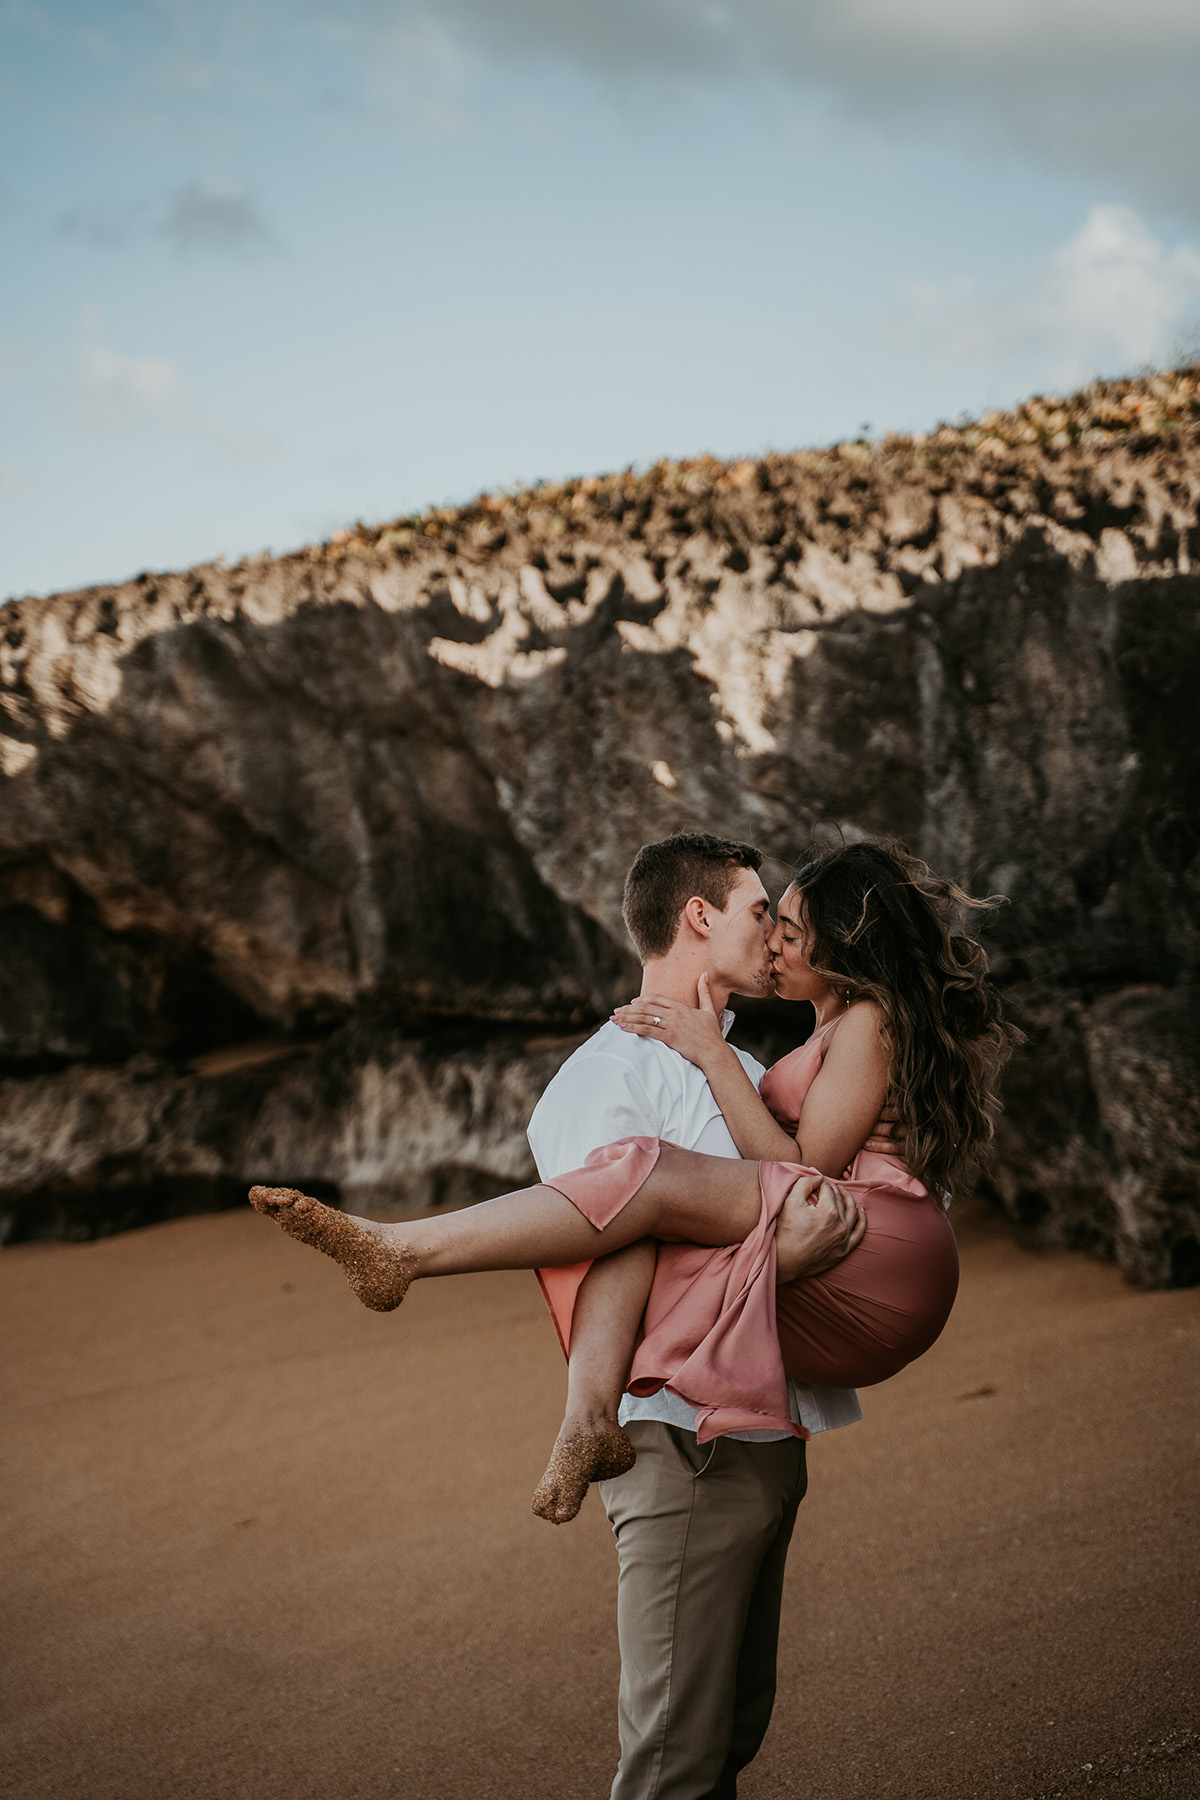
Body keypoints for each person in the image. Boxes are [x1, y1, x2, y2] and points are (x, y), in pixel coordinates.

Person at [249, 832, 1018, 1799]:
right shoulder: (616, 1069)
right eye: (759, 914)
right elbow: (604, 1234)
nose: (775, 938)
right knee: (680, 1762)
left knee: (718, 1741)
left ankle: (425, 1268)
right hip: (681, 1441)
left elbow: (814, 1167)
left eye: (790, 925)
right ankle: (405, 1255)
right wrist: (599, 1402)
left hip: (770, 1408)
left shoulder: (752, 1050)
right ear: (700, 917)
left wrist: (733, 1109)